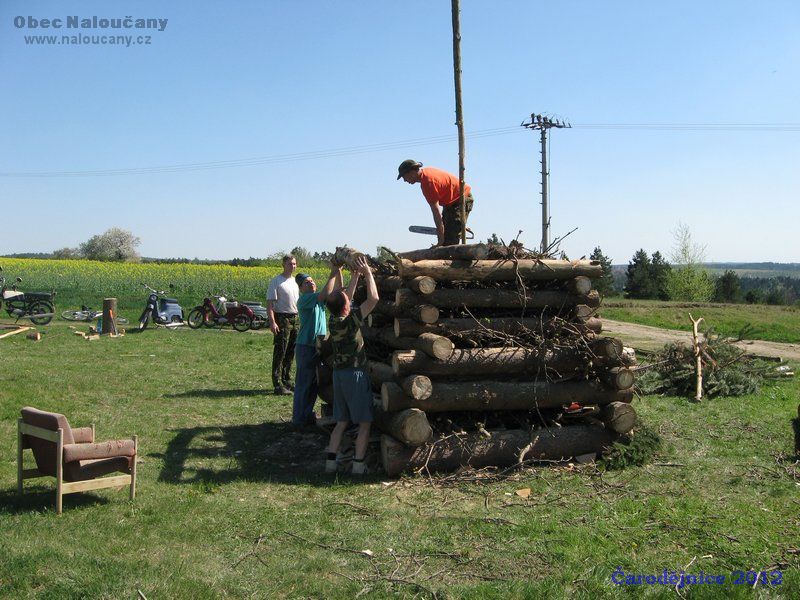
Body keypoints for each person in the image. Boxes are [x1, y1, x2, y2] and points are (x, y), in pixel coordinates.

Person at [322, 255, 379, 475]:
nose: (348, 297)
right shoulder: (351, 319)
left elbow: (346, 298)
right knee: (364, 423)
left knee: (342, 421)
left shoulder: (334, 320)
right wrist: (368, 274)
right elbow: (373, 299)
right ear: (346, 307)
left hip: (339, 376)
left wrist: (354, 275)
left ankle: (330, 463)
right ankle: (358, 465)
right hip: (355, 375)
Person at [292, 266, 339, 428]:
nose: (311, 283)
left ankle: (306, 415)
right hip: (306, 346)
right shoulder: (305, 299)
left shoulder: (318, 299)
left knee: (313, 384)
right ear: (301, 288)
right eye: (306, 282)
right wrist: (333, 271)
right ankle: (298, 420)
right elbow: (325, 293)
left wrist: (338, 271)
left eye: (312, 281)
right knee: (303, 383)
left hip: (318, 346)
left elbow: (334, 294)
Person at [397, 159, 474, 246]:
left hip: (461, 199)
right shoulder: (426, 173)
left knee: (448, 243)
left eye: (404, 177)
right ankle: (457, 228)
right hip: (450, 202)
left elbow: (436, 213)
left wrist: (440, 240)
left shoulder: (428, 183)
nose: (405, 180)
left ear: (411, 172)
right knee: (448, 233)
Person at [266, 255, 299, 395]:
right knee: (281, 351)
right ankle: (277, 384)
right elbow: (270, 304)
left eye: (294, 264)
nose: (293, 266)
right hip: (282, 318)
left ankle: (286, 380)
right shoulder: (277, 281)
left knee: (291, 351)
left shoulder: (295, 282)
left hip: (295, 318)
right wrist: (272, 322)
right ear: (283, 264)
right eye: (290, 263)